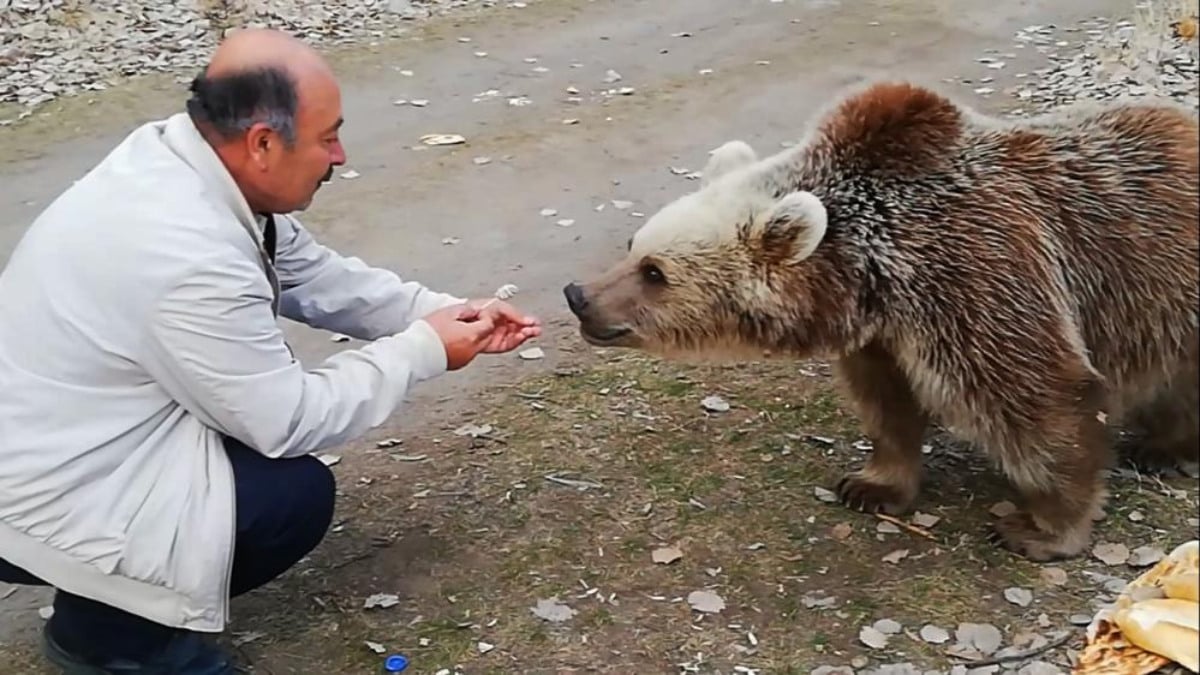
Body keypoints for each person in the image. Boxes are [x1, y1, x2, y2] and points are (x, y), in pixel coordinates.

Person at [0, 27, 540, 673]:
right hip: (37, 487)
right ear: (262, 142)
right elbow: (286, 420)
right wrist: (424, 349)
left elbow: (314, 275)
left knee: (248, 462)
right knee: (288, 498)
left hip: (63, 435)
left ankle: (110, 596)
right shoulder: (185, 253)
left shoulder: (185, 161)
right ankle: (111, 641)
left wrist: (440, 312)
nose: (339, 155)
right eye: (327, 136)